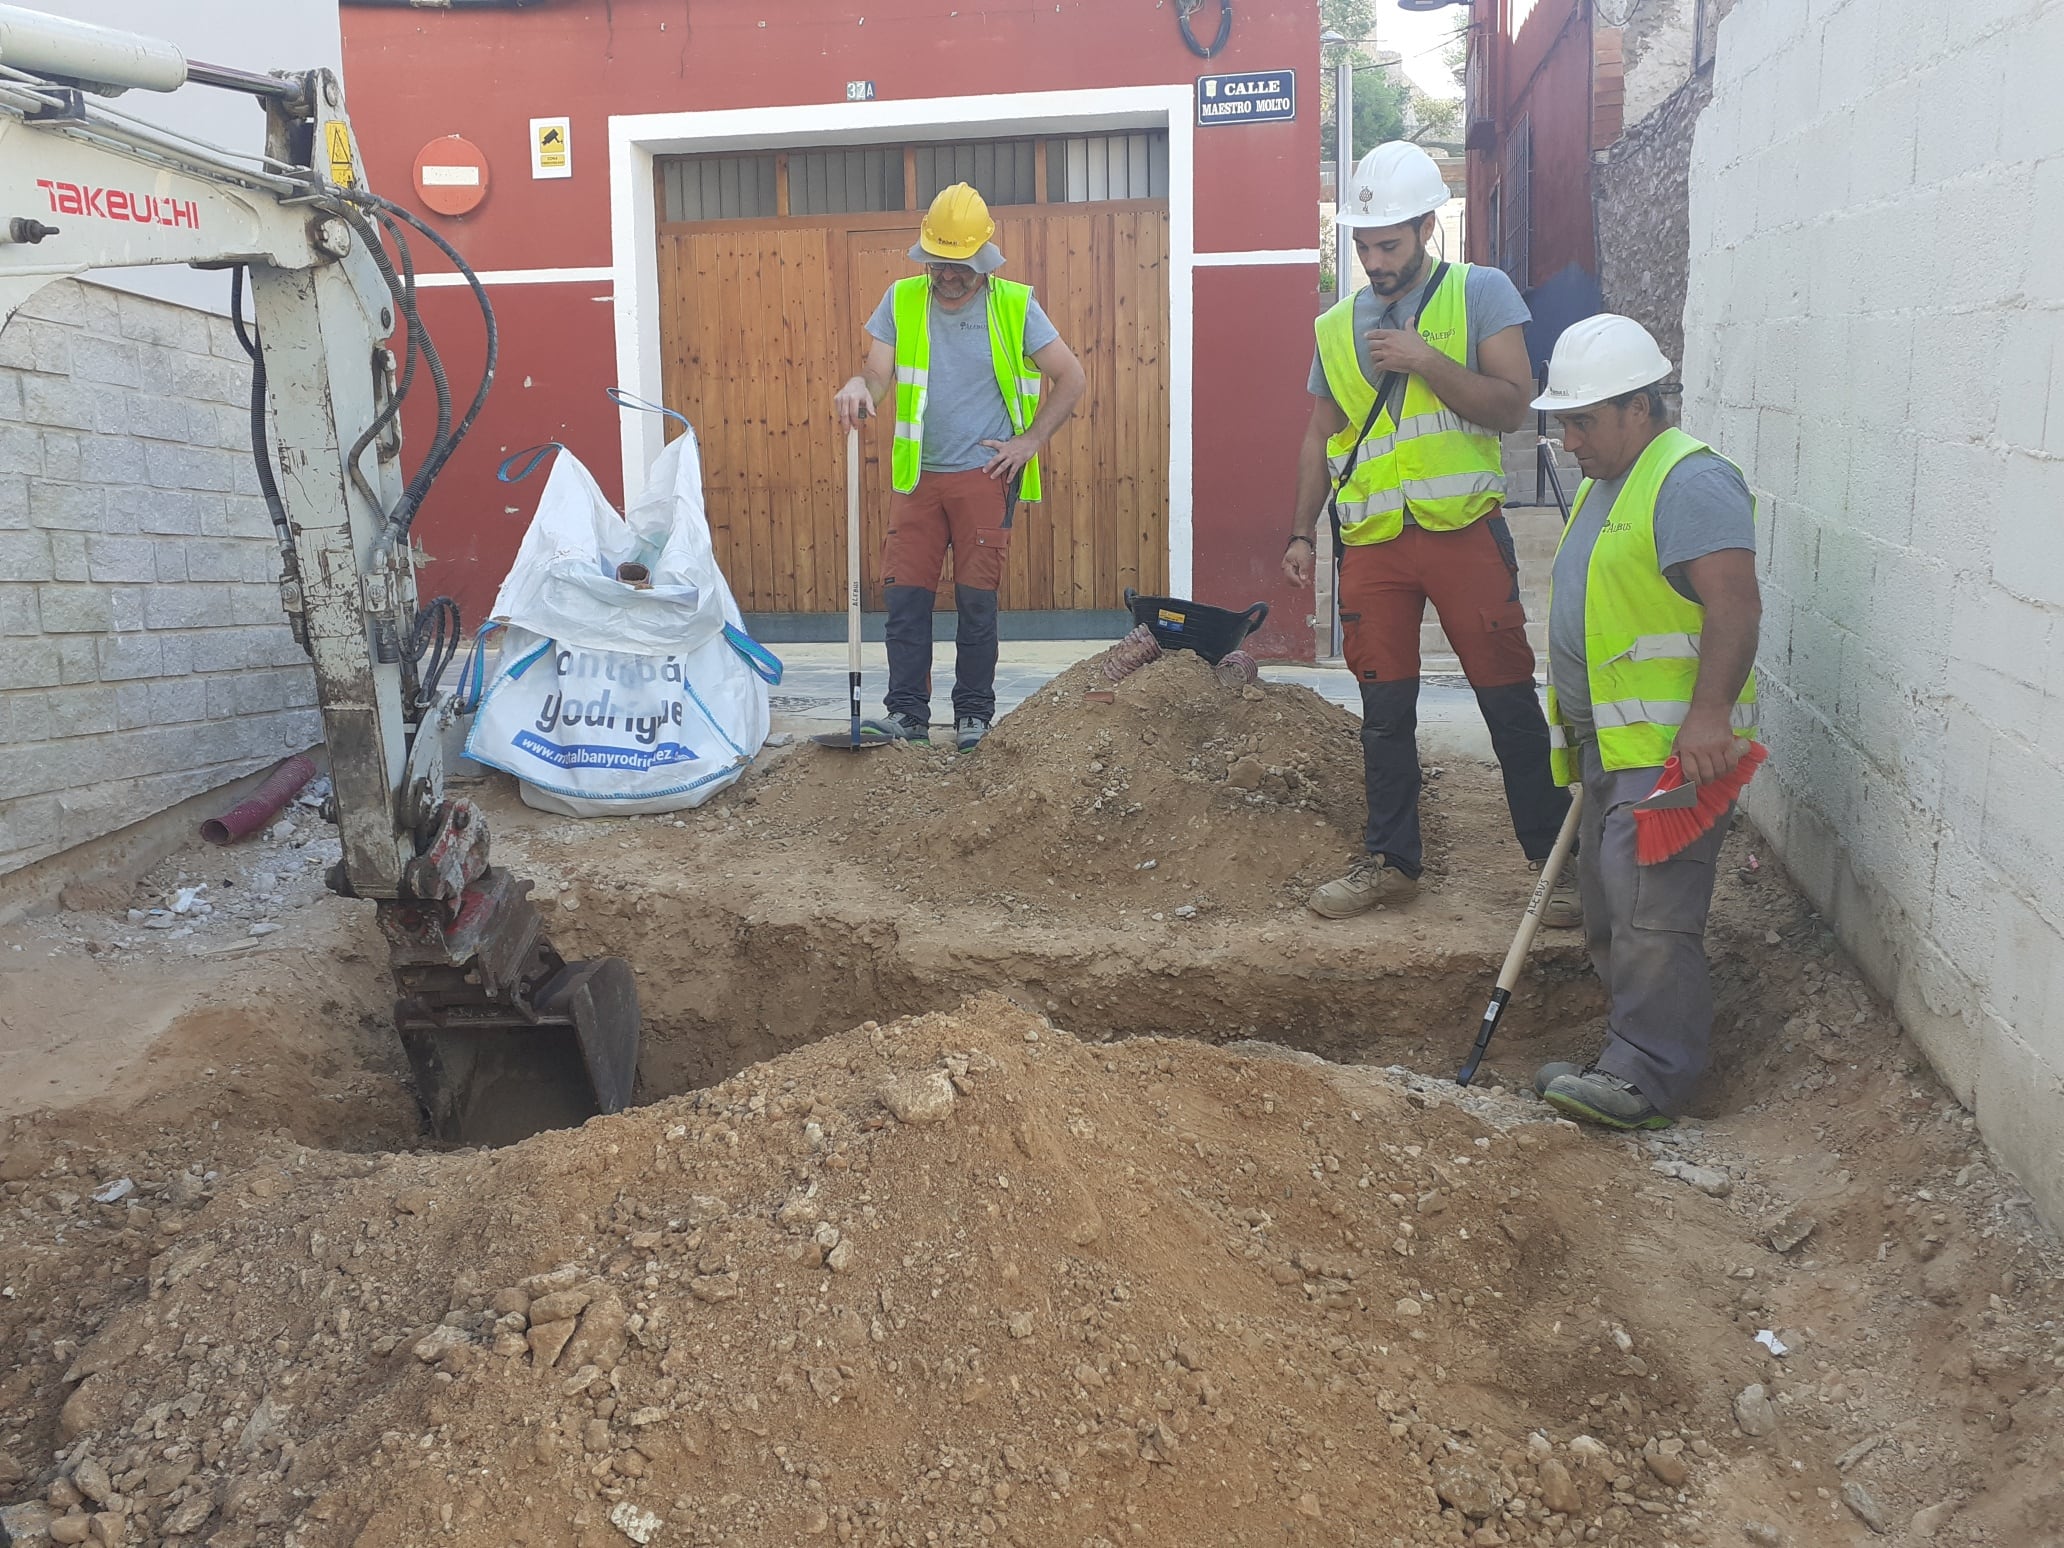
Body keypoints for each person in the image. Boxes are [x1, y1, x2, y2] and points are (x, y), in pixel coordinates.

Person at [1286, 141, 1576, 925]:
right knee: (1384, 710)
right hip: (1373, 542)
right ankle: (1392, 861)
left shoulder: (1481, 293)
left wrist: (1424, 359)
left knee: (1507, 699)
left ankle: (1555, 868)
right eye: (1363, 246)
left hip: (1464, 535)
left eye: (1389, 244)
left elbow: (1513, 405)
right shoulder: (1336, 326)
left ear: (1424, 229)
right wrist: (1301, 534)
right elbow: (1321, 434)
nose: (1374, 261)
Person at [1526, 314, 1762, 1130]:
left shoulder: (1688, 480)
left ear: (1639, 407)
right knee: (1611, 907)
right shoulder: (1609, 483)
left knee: (1652, 913)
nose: (1567, 438)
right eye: (1563, 421)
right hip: (1616, 748)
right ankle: (1626, 1054)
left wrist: (1709, 717)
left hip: (1675, 754)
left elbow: (1735, 602)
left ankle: (1648, 1077)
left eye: (1582, 420)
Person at [833, 182, 1086, 752]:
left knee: (976, 603)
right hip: (917, 478)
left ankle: (973, 716)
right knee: (905, 600)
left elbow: (1071, 378)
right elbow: (877, 375)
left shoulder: (1016, 305)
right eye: (939, 264)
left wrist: (1029, 441)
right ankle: (908, 717)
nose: (948, 275)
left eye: (961, 266)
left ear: (984, 260)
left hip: (984, 479)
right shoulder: (900, 300)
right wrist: (859, 384)